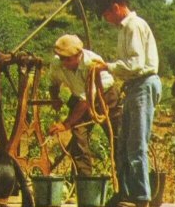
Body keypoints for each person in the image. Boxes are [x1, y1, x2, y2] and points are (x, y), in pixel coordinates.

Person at [95, 0, 161, 207]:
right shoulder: (124, 29)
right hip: (134, 86)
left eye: (106, 15)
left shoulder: (133, 26)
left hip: (143, 84)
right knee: (123, 144)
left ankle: (141, 196)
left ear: (115, 8)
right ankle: (126, 193)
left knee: (136, 143)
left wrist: (108, 67)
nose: (106, 20)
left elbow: (135, 64)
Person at [47, 34, 122, 177]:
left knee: (117, 138)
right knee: (79, 139)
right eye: (62, 58)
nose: (64, 63)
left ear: (79, 54)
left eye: (68, 59)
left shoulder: (92, 63)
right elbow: (53, 82)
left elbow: (86, 99)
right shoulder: (57, 64)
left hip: (104, 96)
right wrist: (54, 97)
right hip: (80, 98)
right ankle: (84, 182)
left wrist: (66, 124)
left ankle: (123, 182)